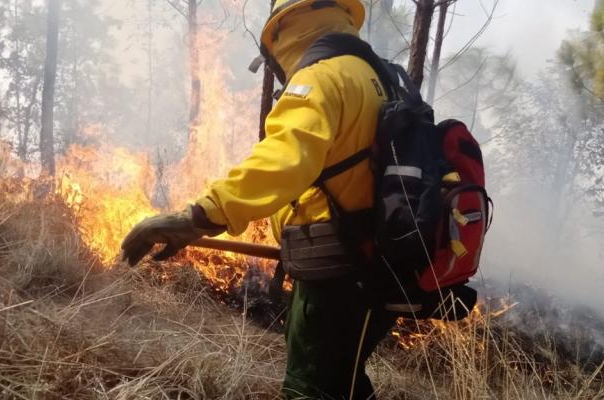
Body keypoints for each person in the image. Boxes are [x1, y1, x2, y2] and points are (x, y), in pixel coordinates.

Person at [121, 1, 397, 398]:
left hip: (337, 273)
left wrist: (199, 216)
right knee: (345, 381)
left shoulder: (322, 79)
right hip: (377, 269)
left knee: (310, 388)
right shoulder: (376, 78)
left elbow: (282, 161)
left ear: (286, 29)